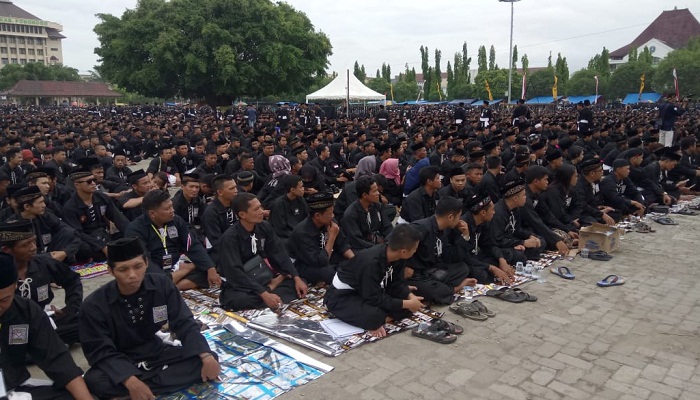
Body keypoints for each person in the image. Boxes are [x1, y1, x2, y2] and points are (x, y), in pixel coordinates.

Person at [80, 237, 221, 399]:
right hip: (120, 358)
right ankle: (144, 386)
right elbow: (100, 351)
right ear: (110, 271)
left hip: (155, 352)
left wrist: (206, 356)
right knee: (95, 381)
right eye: (123, 270)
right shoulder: (94, 305)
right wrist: (130, 381)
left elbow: (184, 322)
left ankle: (139, 390)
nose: (132, 275)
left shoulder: (162, 285)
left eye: (138, 266)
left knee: (207, 358)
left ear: (146, 263)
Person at [0, 251, 94, 400]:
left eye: (3, 300)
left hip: (13, 387)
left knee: (86, 391)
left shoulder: (25, 310)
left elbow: (56, 358)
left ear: (14, 287)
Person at [324, 224, 425, 338]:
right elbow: (373, 298)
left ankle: (383, 317)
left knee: (412, 300)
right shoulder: (371, 262)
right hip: (343, 295)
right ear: (403, 251)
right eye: (415, 249)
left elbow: (396, 283)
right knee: (375, 316)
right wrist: (407, 304)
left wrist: (410, 296)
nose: (415, 251)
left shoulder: (399, 258)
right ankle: (379, 318)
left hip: (367, 290)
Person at [218, 193, 308, 311]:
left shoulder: (264, 226)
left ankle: (272, 287)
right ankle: (272, 286)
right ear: (242, 214)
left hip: (262, 275)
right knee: (237, 300)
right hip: (243, 283)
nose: (261, 211)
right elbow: (235, 272)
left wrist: (296, 278)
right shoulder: (230, 238)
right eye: (256, 209)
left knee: (300, 282)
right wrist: (264, 293)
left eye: (261, 207)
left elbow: (279, 252)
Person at [1, 220, 83, 345]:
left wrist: (70, 309)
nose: (33, 247)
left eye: (33, 241)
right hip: (10, 326)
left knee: (86, 322)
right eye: (26, 245)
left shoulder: (43, 263)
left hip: (42, 320)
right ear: (7, 250)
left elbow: (72, 280)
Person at [125, 190, 220, 290]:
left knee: (213, 262)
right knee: (151, 280)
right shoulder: (135, 230)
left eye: (172, 206)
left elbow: (191, 245)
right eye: (167, 208)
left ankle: (173, 285)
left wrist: (210, 268)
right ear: (152, 213)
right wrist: (187, 269)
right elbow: (143, 261)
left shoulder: (176, 220)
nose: (172, 211)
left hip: (175, 264)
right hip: (155, 267)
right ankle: (177, 279)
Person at [406, 197, 476, 304]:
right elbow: (393, 244)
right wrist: (401, 268)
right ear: (450, 217)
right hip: (414, 275)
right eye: (458, 216)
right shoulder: (421, 227)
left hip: (431, 271)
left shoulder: (440, 231)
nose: (460, 220)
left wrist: (465, 236)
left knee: (463, 268)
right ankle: (454, 288)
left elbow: (449, 256)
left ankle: (442, 287)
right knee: (433, 290)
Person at [62, 168, 130, 262]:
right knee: (85, 249)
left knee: (125, 240)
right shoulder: (70, 207)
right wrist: (102, 246)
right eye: (89, 182)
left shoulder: (102, 198)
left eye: (94, 180)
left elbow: (118, 218)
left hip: (102, 233)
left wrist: (132, 234)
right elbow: (78, 233)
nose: (93, 183)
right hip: (85, 238)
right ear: (77, 185)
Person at [287, 192, 354, 285]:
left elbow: (342, 244)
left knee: (353, 261)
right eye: (330, 213)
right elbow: (320, 261)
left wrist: (354, 260)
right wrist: (332, 237)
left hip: (328, 257)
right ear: (317, 215)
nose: (333, 216)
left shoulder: (330, 222)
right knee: (329, 273)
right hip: (306, 264)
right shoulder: (302, 232)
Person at [6, 185, 80, 263]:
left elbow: (72, 233)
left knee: (68, 234)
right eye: (40, 202)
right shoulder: (12, 225)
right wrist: (48, 257)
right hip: (29, 263)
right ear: (27, 206)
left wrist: (65, 252)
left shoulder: (46, 216)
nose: (44, 205)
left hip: (52, 255)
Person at [461, 194, 519, 285]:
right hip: (466, 260)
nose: (494, 212)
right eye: (492, 210)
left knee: (508, 255)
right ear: (483, 212)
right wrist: (491, 268)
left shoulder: (484, 221)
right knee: (481, 274)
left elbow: (489, 244)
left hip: (478, 257)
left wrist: (501, 260)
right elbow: (465, 257)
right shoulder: (463, 225)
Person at [490, 179, 546, 260]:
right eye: (524, 195)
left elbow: (517, 230)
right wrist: (522, 243)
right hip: (502, 245)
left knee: (540, 240)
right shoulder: (498, 213)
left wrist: (529, 236)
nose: (526, 198)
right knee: (519, 256)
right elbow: (497, 240)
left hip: (513, 240)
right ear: (515, 198)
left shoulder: (516, 208)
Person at [341, 176, 394, 252]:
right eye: (374, 191)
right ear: (365, 195)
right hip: (363, 250)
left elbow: (388, 227)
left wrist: (389, 242)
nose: (378, 193)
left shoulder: (377, 206)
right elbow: (356, 242)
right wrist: (379, 248)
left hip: (379, 244)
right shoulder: (350, 215)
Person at [201, 174, 238, 263]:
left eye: (235, 187)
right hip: (222, 253)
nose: (236, 191)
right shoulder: (211, 213)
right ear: (220, 192)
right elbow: (216, 242)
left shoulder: (236, 204)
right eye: (231, 189)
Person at [268, 174, 308, 242]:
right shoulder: (278, 204)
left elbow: (307, 217)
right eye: (301, 187)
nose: (303, 189)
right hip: (285, 237)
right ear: (292, 189)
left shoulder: (300, 200)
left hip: (301, 233)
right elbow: (279, 229)